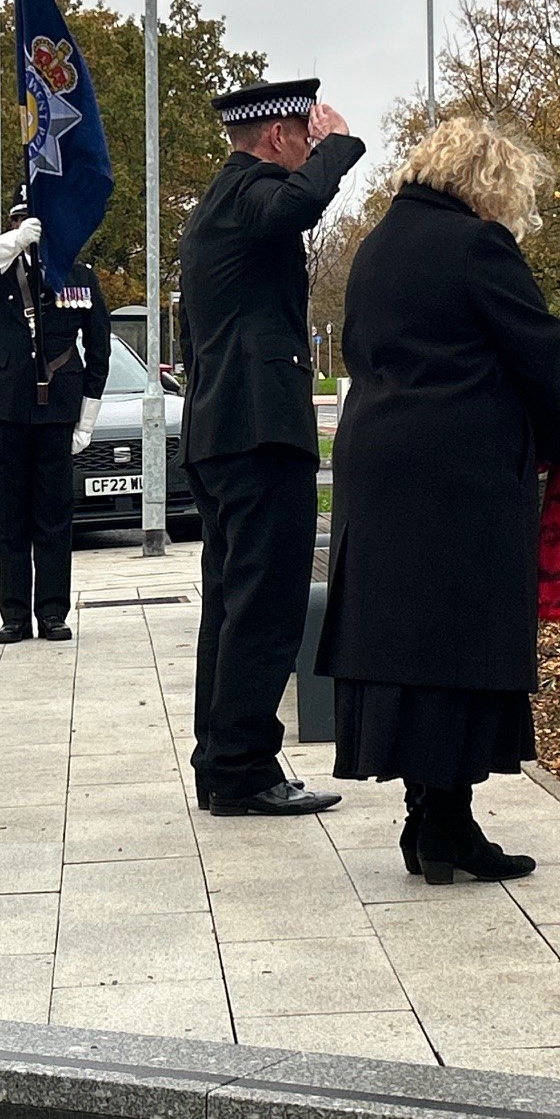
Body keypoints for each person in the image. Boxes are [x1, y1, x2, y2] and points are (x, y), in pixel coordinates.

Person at [315, 117, 560, 883]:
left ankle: (429, 820)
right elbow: (538, 347)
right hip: (458, 470)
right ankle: (449, 827)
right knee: (460, 643)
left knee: (406, 644)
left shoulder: (378, 246)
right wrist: (551, 448)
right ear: (488, 181)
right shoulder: (476, 245)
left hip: (380, 460)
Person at [179, 78, 364, 817]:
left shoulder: (215, 207)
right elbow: (298, 205)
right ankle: (245, 769)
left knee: (232, 602)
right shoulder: (250, 191)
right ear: (279, 137)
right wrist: (343, 146)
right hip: (256, 431)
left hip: (223, 428)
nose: (308, 155)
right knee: (263, 603)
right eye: (305, 141)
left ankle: (225, 759)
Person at [0, 194, 111, 643]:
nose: (30, 229)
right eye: (21, 221)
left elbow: (98, 350)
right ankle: (13, 614)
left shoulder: (78, 277)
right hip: (9, 406)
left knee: (54, 516)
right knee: (12, 516)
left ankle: (53, 611)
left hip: (58, 408)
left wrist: (87, 419)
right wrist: (12, 242)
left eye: (34, 223)